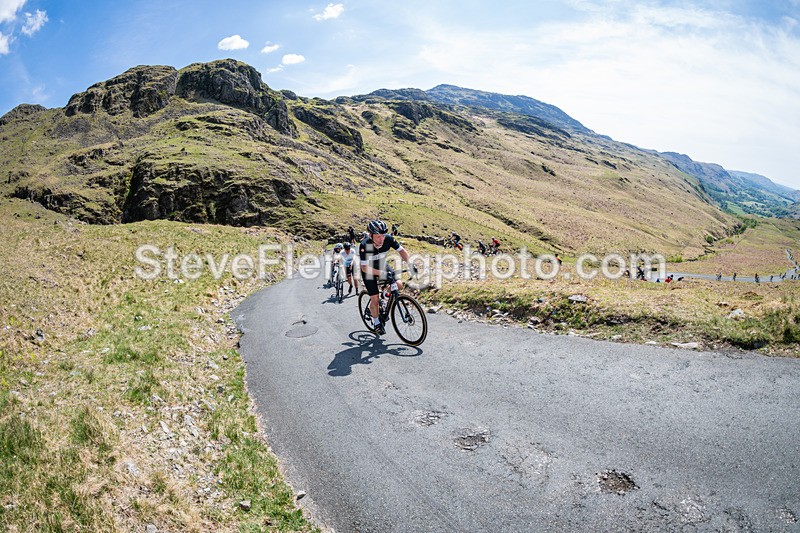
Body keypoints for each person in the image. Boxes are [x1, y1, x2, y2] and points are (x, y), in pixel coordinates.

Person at [360, 220, 413, 335]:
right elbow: (364, 268)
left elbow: (402, 251)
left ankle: (384, 296)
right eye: (378, 237)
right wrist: (381, 273)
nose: (381, 239)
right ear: (371, 235)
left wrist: (411, 264)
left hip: (382, 265)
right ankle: (376, 322)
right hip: (368, 271)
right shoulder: (364, 245)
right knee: (374, 299)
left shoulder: (389, 239)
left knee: (398, 284)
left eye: (383, 236)